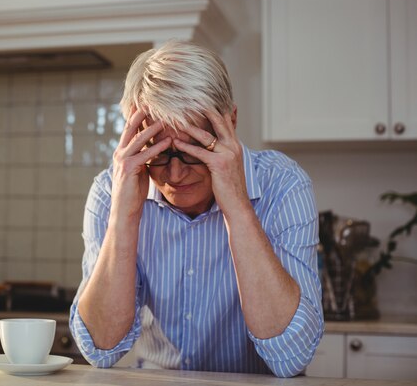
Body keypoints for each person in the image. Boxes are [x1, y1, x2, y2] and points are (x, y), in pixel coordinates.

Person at [68, 40, 323, 378]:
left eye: (194, 149)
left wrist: (236, 204)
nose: (174, 174)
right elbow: (100, 349)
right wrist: (125, 215)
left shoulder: (283, 184)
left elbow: (293, 356)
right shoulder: (110, 190)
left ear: (230, 121)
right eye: (156, 151)